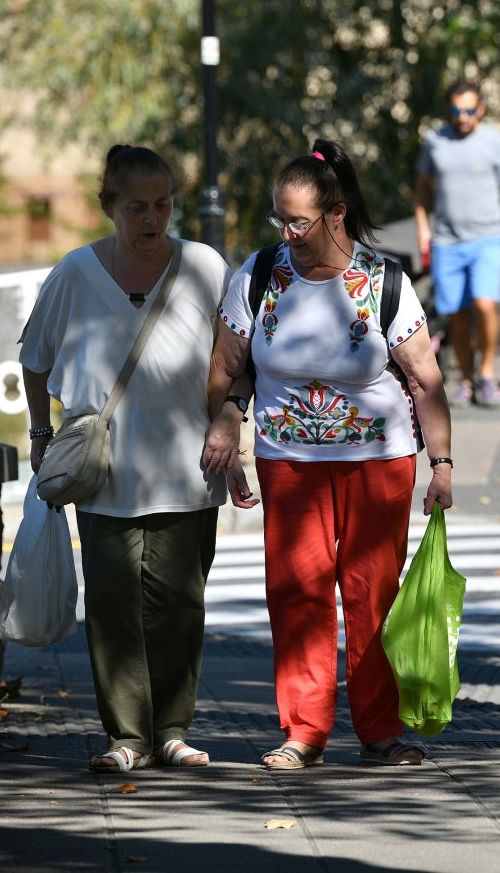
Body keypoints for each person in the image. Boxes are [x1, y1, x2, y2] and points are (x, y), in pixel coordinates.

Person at [201, 139, 454, 769]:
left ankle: (380, 730)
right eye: (279, 220)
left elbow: (425, 378)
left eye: (299, 222)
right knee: (297, 591)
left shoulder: (384, 281)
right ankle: (304, 731)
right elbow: (227, 368)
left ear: (335, 215)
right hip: (289, 461)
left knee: (372, 594)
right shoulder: (258, 276)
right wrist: (228, 430)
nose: (287, 233)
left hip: (378, 461)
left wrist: (442, 463)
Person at [20, 145, 231, 774]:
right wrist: (39, 434)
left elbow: (234, 358)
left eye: (163, 204)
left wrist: (232, 428)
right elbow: (35, 358)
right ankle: (126, 738)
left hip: (187, 464)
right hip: (104, 468)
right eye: (136, 206)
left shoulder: (203, 266)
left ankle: (171, 728)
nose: (152, 217)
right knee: (113, 605)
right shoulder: (74, 273)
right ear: (109, 205)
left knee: (179, 601)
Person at [414, 79, 500, 409]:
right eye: (456, 110)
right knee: (458, 316)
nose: (462, 117)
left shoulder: (495, 143)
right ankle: (466, 381)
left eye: (469, 110)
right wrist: (423, 226)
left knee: (486, 304)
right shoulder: (435, 142)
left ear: (480, 108)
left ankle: (488, 373)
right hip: (447, 242)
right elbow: (422, 187)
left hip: (487, 238)